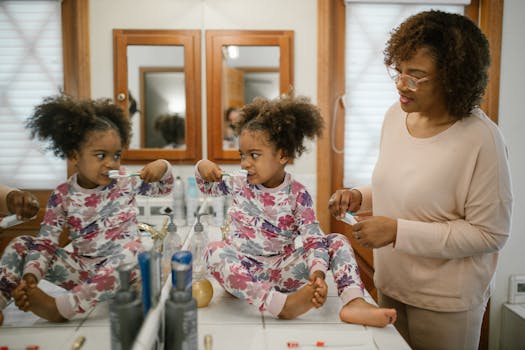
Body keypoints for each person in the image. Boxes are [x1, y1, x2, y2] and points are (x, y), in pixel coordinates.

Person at [328, 10, 512, 350]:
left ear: (452, 78)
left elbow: (491, 233)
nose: (400, 83)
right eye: (398, 70)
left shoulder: (481, 139)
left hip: (446, 302)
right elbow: (402, 187)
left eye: (415, 75)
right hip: (392, 285)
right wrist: (359, 196)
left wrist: (398, 231)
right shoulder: (396, 116)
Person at [196, 95, 396, 326]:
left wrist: (317, 274)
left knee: (336, 241)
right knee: (214, 250)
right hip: (245, 272)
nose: (244, 164)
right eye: (242, 155)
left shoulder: (298, 194)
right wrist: (203, 165)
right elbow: (205, 184)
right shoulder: (237, 183)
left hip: (284, 272)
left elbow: (312, 239)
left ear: (282, 155)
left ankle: (353, 302)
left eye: (254, 155)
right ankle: (280, 305)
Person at [0, 94, 174, 325]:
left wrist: (163, 166)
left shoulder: (125, 181)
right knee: (23, 244)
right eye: (101, 155)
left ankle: (62, 308)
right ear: (74, 155)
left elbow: (164, 188)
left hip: (125, 274)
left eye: (117, 155)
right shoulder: (62, 195)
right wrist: (31, 277)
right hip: (82, 273)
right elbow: (46, 243)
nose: (111, 163)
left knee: (137, 250)